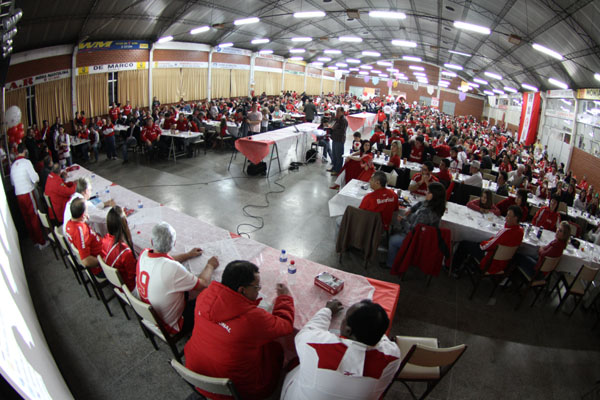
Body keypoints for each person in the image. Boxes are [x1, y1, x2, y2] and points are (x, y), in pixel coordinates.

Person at [184, 260, 294, 400]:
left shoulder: (205, 295)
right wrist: (284, 298)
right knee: (274, 348)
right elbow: (285, 325)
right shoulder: (252, 318)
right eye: (256, 287)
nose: (258, 291)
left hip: (195, 372)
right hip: (236, 389)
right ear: (242, 290)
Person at [281, 299, 400, 400]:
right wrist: (373, 327)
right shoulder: (392, 358)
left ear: (348, 330)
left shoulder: (316, 345)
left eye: (345, 318)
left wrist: (327, 310)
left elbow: (309, 330)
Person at [136, 222, 218, 334]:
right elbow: (203, 284)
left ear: (151, 242)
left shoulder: (144, 253)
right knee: (208, 298)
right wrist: (210, 265)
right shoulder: (172, 268)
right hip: (170, 325)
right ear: (174, 244)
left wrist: (188, 255)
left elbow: (165, 259)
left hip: (148, 315)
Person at [452, 205, 524, 276]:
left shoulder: (507, 231)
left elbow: (487, 246)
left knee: (465, 243)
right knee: (480, 243)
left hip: (489, 262)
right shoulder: (521, 232)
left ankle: (454, 268)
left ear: (515, 218)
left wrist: (481, 243)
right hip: (502, 265)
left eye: (508, 216)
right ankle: (471, 267)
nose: (506, 218)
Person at [387, 182, 446, 267]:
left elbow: (412, 231)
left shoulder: (425, 213)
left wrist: (402, 221)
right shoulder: (435, 206)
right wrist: (411, 209)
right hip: (424, 237)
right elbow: (421, 203)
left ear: (433, 195)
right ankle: (400, 257)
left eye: (428, 192)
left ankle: (391, 264)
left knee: (393, 239)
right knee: (396, 231)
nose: (426, 193)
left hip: (417, 239)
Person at [10, 143, 47, 249]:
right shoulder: (26, 162)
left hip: (18, 194)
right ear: (25, 151)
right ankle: (41, 242)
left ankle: (35, 240)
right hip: (27, 192)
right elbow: (35, 178)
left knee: (26, 218)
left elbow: (12, 183)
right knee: (33, 216)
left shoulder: (13, 166)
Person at [64, 198, 104, 276]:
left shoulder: (70, 223)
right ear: (83, 215)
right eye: (86, 210)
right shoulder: (80, 231)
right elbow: (86, 261)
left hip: (100, 248)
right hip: (101, 266)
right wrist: (103, 262)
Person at [101, 206, 137, 290]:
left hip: (117, 283)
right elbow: (133, 275)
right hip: (130, 288)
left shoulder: (105, 238)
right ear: (123, 225)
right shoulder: (125, 252)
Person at [330, 107, 348, 175]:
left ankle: (338, 170)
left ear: (342, 112)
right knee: (334, 154)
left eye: (338, 111)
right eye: (336, 111)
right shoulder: (337, 119)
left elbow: (342, 131)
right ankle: (334, 167)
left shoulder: (343, 121)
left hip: (339, 140)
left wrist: (333, 130)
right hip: (334, 139)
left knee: (339, 156)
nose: (337, 113)